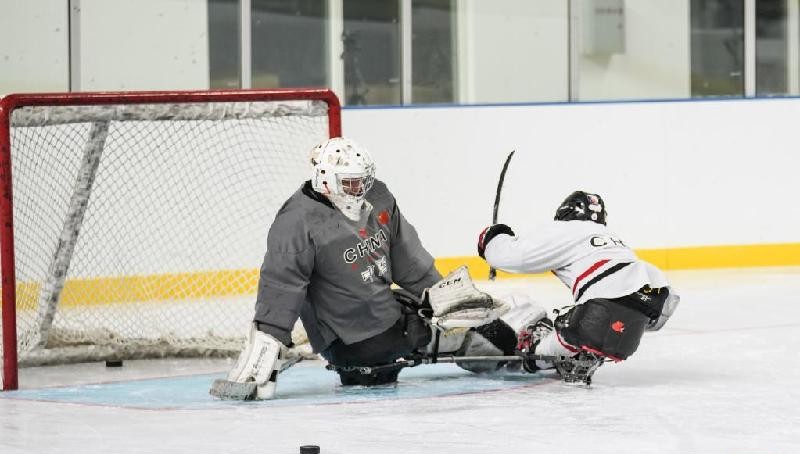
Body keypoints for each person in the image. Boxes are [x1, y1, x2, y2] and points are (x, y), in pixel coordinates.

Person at [215, 137, 443, 399]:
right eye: (349, 182)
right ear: (325, 179)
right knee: (444, 331)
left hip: (384, 317)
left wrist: (443, 295)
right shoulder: (297, 222)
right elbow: (281, 287)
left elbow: (409, 260)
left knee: (448, 315)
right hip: (349, 342)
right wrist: (266, 347)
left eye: (363, 180)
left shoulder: (378, 196)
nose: (358, 189)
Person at [477, 191, 680, 380]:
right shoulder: (612, 239)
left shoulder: (566, 229)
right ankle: (582, 348)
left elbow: (514, 257)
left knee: (544, 340)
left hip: (600, 306)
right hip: (648, 302)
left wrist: (494, 237)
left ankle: (543, 352)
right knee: (597, 325)